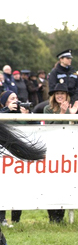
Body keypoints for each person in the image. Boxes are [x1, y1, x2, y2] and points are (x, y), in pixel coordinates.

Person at [0, 90, 31, 226]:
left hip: (18, 155)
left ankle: (16, 219)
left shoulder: (20, 113)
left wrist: (26, 115)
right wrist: (6, 110)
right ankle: (1, 217)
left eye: (16, 98)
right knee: (3, 187)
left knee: (18, 187)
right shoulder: (0, 112)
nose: (15, 101)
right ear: (4, 102)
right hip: (3, 156)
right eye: (11, 98)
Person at [43, 83, 78, 223]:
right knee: (51, 183)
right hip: (52, 149)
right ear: (53, 96)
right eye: (57, 94)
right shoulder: (47, 109)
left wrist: (73, 115)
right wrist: (63, 114)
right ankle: (53, 217)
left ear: (66, 95)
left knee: (64, 183)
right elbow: (49, 128)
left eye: (62, 94)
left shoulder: (72, 108)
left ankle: (61, 217)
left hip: (67, 151)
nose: (60, 96)